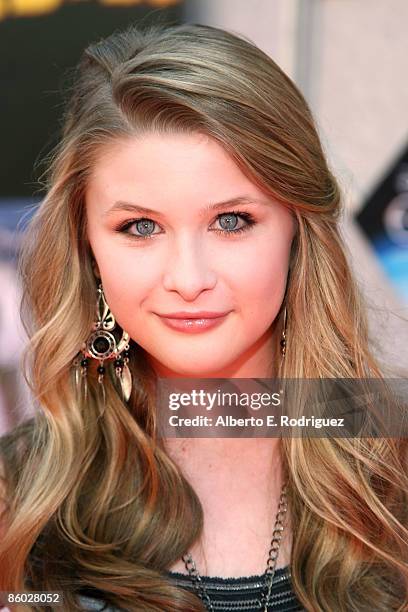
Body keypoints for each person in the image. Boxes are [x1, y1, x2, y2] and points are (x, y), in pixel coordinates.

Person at [0, 21, 407, 612]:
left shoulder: (391, 462)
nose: (188, 279)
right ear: (86, 245)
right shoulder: (23, 499)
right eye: (140, 227)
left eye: (231, 221)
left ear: (297, 229)